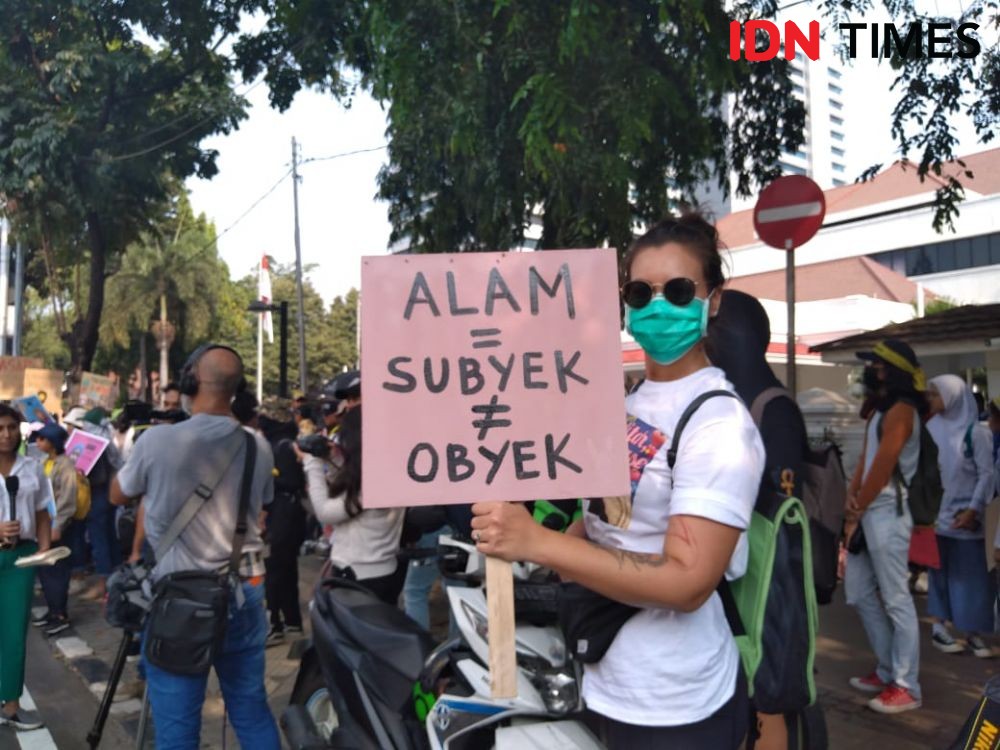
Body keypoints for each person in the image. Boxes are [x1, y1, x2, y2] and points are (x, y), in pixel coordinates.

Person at [473, 215, 764, 749]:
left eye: (679, 291)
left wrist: (539, 541)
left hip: (678, 704)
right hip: (607, 681)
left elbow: (688, 583)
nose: (658, 306)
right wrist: (521, 543)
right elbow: (604, 522)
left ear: (713, 300)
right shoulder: (627, 406)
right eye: (639, 291)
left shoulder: (720, 425)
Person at [111, 345, 280, 749]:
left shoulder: (157, 442)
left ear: (192, 380)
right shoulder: (258, 444)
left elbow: (118, 494)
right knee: (251, 710)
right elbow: (265, 501)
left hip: (179, 602)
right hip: (244, 590)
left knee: (177, 726)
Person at [705, 289, 808, 749]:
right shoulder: (721, 397)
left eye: (712, 325)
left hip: (767, 575)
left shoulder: (773, 407)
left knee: (765, 697)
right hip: (726, 566)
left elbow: (783, 508)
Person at [844, 339, 925, 714]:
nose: (871, 371)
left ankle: (907, 686)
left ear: (891, 371)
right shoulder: (881, 408)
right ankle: (887, 667)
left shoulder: (903, 410)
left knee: (896, 600)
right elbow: (866, 458)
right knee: (859, 593)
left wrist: (857, 507)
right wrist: (853, 495)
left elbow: (885, 464)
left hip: (889, 510)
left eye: (876, 366)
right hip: (871, 510)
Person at [925, 375, 995, 657]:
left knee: (972, 577)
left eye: (935, 394)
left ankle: (972, 632)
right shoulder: (930, 428)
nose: (930, 399)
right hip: (936, 517)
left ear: (952, 396)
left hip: (966, 517)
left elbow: (986, 474)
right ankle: (939, 629)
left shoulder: (976, 433)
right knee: (939, 574)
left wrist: (974, 509)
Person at [308, 406, 406, 605]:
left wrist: (313, 464)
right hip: (385, 571)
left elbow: (326, 512)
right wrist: (334, 459)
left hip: (358, 576)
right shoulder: (393, 470)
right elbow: (346, 495)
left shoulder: (371, 484)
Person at [0, 403, 54, 731]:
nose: (5, 435)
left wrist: (45, 548)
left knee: (14, 633)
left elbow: (43, 511)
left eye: (10, 428)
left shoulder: (32, 468)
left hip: (22, 558)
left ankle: (11, 706)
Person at [32, 422, 81, 637]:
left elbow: (68, 499)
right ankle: (52, 611)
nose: (38, 442)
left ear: (53, 442)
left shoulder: (65, 465)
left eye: (42, 439)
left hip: (58, 526)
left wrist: (57, 525)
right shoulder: (46, 462)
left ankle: (60, 614)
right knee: (45, 569)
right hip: (43, 525)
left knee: (57, 570)